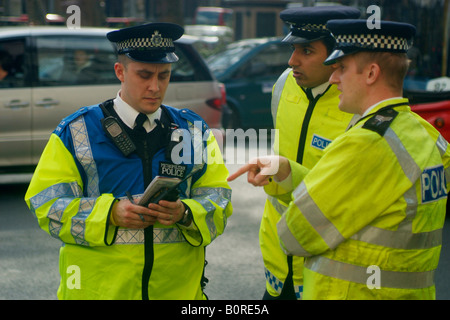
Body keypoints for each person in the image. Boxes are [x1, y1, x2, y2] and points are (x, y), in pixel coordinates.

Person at [229, 19, 450, 299]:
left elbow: (296, 233)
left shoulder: (364, 141)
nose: (334, 78)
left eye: (342, 68)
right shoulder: (426, 134)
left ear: (371, 73)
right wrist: (287, 170)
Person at [25, 22, 232, 300]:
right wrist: (110, 213)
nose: (155, 87)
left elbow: (219, 199)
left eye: (164, 75)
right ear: (120, 71)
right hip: (100, 293)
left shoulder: (193, 130)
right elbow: (46, 204)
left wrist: (184, 213)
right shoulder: (76, 131)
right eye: (144, 75)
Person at [257, 6, 360, 300]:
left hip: (326, 271)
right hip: (278, 263)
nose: (292, 61)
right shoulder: (283, 84)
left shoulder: (355, 105)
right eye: (293, 48)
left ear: (336, 55)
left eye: (306, 51)